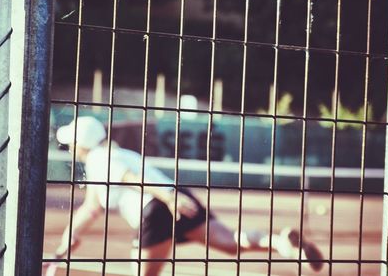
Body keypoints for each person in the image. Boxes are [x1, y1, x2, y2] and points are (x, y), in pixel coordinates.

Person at [46, 116, 324, 276]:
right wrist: (60, 252)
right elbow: (91, 209)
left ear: (79, 144)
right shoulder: (116, 153)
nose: (68, 146)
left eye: (70, 142)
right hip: (178, 197)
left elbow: (130, 179)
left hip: (158, 206)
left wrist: (167, 199)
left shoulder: (99, 159)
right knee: (230, 243)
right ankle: (281, 244)